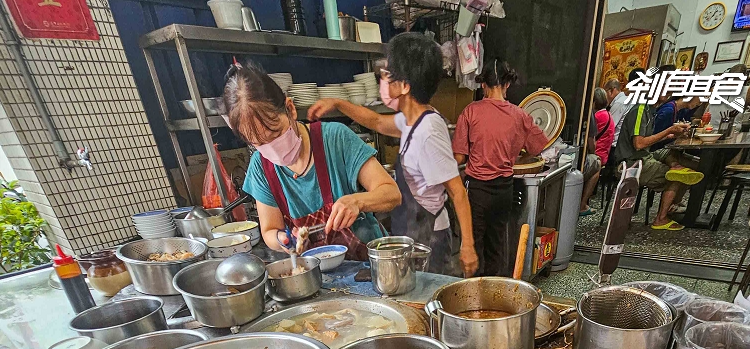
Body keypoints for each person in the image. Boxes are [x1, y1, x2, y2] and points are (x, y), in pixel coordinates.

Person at [308, 33, 477, 277]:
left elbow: (457, 192)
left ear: (404, 85)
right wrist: (339, 104)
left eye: (388, 74)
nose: (384, 79)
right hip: (413, 233)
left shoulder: (428, 132)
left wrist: (468, 247)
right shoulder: (411, 120)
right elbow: (375, 121)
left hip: (431, 239)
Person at [223, 63, 401, 259]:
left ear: (290, 109)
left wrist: (358, 201)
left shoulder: (335, 139)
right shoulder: (260, 167)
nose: (272, 149)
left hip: (369, 267)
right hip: (318, 278)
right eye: (260, 144)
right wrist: (283, 238)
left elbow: (392, 194)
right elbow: (269, 231)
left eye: (276, 134)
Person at [450, 59, 549, 276]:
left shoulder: (470, 112)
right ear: (507, 85)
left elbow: (458, 157)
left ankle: (474, 297)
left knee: (473, 246)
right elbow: (538, 146)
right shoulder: (520, 115)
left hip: (476, 190)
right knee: (497, 246)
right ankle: (495, 297)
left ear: (483, 85)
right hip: (505, 190)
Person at [613, 99, 704, 231]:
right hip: (630, 164)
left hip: (643, 156)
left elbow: (646, 142)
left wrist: (668, 136)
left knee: (674, 156)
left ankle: (675, 166)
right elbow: (639, 144)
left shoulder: (650, 109)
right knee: (679, 177)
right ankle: (661, 218)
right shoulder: (641, 109)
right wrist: (668, 131)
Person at [579, 87, 614, 215]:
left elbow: (591, 142)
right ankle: (582, 204)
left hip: (598, 153)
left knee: (594, 164)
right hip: (605, 153)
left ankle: (581, 203)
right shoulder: (607, 114)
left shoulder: (597, 115)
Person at [607, 69, 644, 149]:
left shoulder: (622, 102)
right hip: (618, 146)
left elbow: (609, 128)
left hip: (617, 146)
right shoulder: (624, 101)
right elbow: (609, 127)